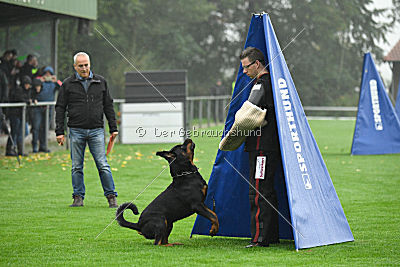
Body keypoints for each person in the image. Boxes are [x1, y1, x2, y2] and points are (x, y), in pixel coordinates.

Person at [55, 52, 119, 208]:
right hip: (76, 130)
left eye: (86, 65)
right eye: (80, 66)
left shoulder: (101, 82)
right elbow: (60, 108)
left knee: (102, 165)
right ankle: (78, 198)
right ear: (75, 67)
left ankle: (111, 197)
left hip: (97, 130)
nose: (84, 68)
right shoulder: (67, 84)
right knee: (76, 166)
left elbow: (108, 105)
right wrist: (59, 131)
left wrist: (113, 127)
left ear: (90, 64)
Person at [239, 47, 281, 247]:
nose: (244, 72)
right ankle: (270, 236)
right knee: (267, 190)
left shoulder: (261, 85)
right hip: (268, 146)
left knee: (258, 191)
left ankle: (260, 239)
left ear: (257, 64)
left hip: (261, 147)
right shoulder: (272, 83)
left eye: (246, 67)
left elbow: (248, 117)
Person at [7, 75, 33, 156]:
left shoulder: (27, 91)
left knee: (23, 132)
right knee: (14, 132)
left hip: (21, 115)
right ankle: (10, 149)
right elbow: (18, 98)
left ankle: (19, 149)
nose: (27, 86)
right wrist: (27, 101)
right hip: (15, 114)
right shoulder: (18, 90)